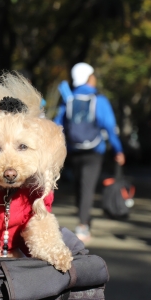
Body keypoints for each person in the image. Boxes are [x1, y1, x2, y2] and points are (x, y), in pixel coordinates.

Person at [54, 62, 125, 243]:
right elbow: (109, 126)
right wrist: (118, 150)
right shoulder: (99, 99)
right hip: (94, 150)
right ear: (89, 77)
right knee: (87, 186)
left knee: (79, 186)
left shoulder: (68, 99)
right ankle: (83, 225)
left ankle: (83, 217)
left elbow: (57, 124)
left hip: (73, 149)